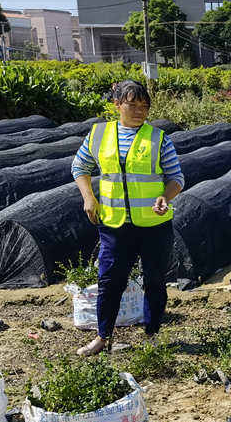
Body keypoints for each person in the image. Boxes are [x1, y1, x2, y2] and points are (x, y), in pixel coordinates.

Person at [71, 80, 184, 356]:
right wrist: (88, 196)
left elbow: (176, 178)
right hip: (114, 225)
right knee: (109, 280)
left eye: (144, 107)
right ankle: (102, 337)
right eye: (132, 105)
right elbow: (79, 166)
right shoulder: (98, 135)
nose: (138, 111)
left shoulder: (159, 139)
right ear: (116, 104)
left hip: (154, 226)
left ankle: (152, 333)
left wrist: (165, 198)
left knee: (155, 280)